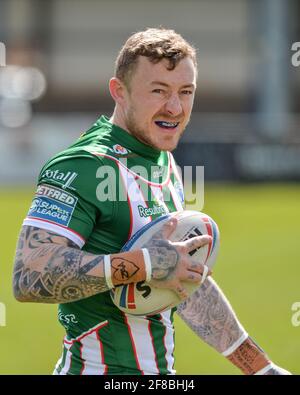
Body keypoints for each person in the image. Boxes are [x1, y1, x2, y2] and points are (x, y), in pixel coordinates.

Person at [13, 28, 290, 375]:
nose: (174, 107)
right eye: (158, 90)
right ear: (120, 92)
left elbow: (182, 279)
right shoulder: (85, 165)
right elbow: (27, 276)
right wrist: (144, 263)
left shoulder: (163, 161)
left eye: (185, 92)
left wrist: (260, 368)